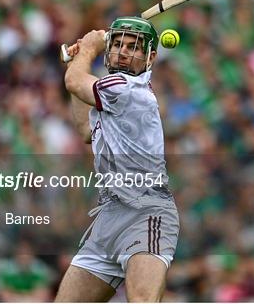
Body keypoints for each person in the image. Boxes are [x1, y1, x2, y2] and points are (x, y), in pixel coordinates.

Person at [55, 17, 179, 302]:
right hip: (109, 215)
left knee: (142, 300)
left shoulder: (129, 89)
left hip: (145, 211)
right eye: (118, 44)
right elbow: (85, 130)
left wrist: (87, 48)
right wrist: (77, 61)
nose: (123, 51)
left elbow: (74, 82)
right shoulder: (109, 93)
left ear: (150, 58)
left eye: (134, 47)